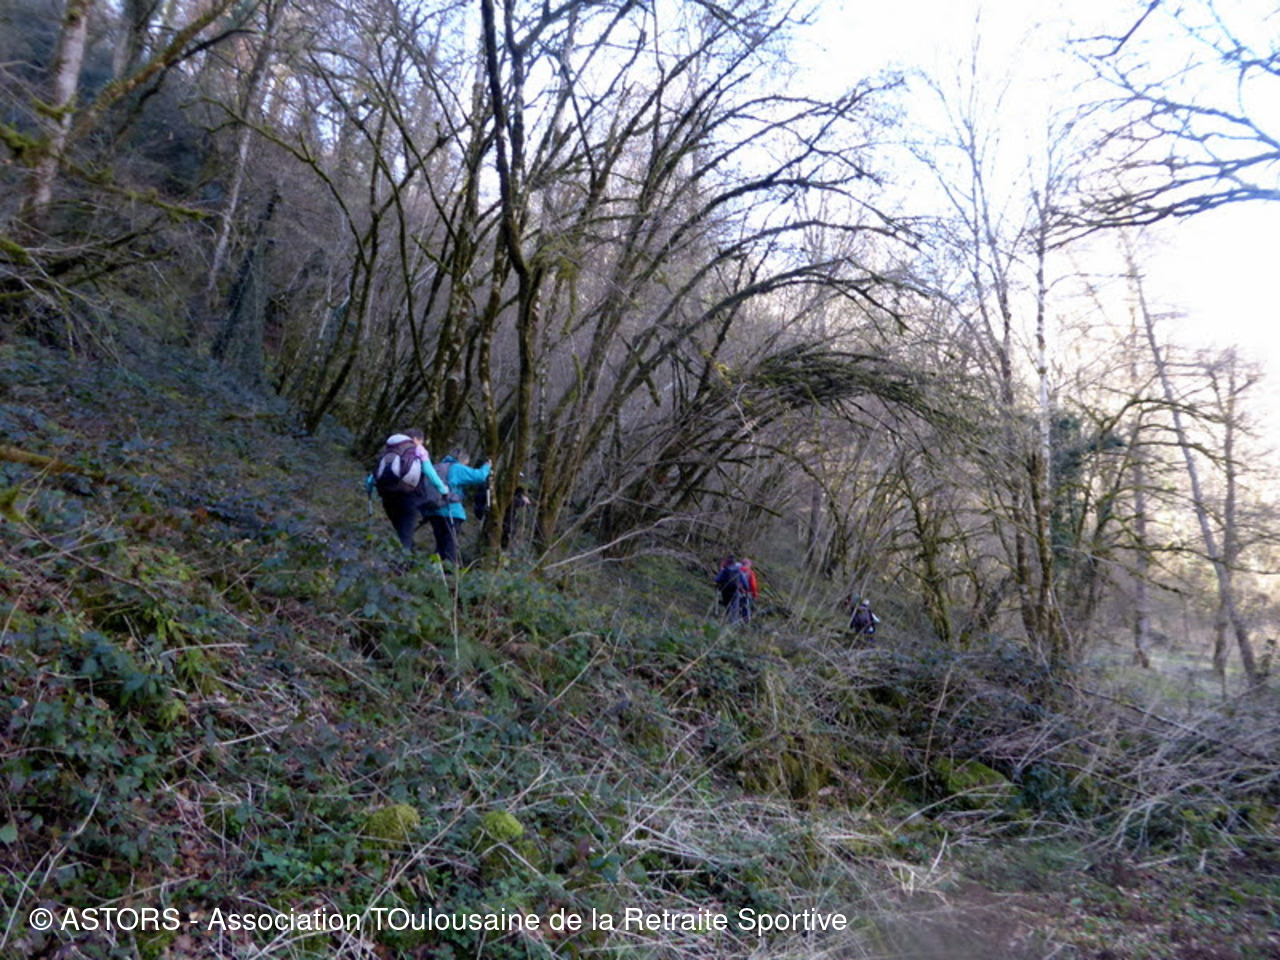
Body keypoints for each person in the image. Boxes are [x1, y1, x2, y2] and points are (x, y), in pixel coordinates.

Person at [374, 429, 449, 552]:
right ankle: (402, 559)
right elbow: (430, 471)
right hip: (409, 495)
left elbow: (375, 473)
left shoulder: (389, 449)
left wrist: (371, 487)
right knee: (406, 530)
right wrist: (442, 488)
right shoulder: (418, 449)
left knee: (398, 528)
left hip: (387, 494)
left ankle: (398, 554)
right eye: (421, 441)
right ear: (416, 439)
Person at [423, 449, 492, 564]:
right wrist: (487, 466)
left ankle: (435, 568)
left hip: (433, 511)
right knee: (450, 543)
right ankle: (449, 568)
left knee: (440, 542)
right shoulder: (457, 468)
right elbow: (479, 476)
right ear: (463, 460)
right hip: (451, 510)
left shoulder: (436, 467)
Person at [715, 555, 751, 624]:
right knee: (735, 608)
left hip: (725, 591)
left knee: (727, 606)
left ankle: (726, 620)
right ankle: (733, 623)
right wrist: (746, 589)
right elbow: (745, 582)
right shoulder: (738, 570)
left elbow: (717, 579)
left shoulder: (725, 570)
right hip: (735, 591)